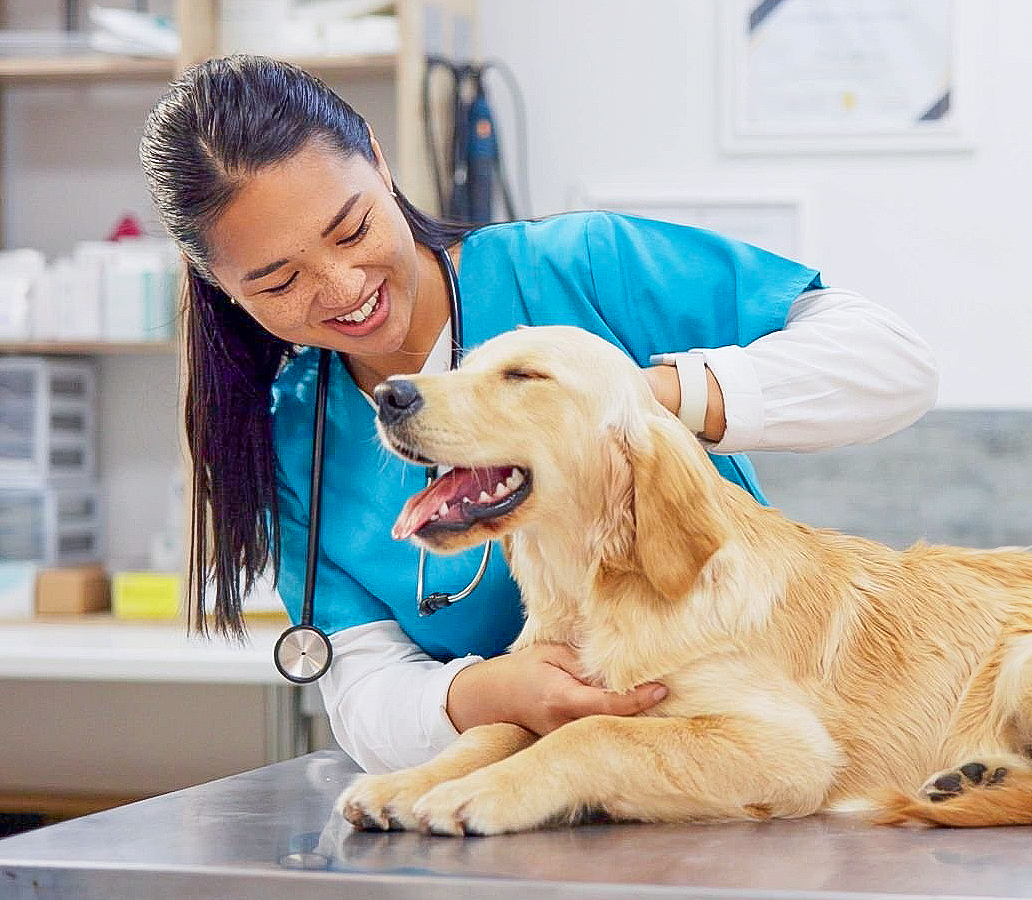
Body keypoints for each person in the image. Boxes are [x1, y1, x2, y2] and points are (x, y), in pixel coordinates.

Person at [139, 55, 938, 774]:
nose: (344, 288)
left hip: (734, 759)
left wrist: (635, 403)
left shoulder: (578, 270)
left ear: (380, 163)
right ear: (219, 284)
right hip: (518, 795)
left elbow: (892, 364)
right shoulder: (295, 439)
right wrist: (487, 694)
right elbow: (358, 686)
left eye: (352, 229)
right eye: (279, 283)